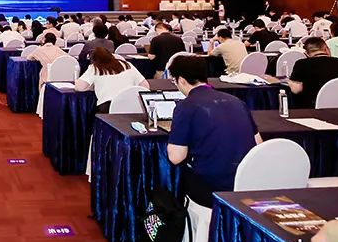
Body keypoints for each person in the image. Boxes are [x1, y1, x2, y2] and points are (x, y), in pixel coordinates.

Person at [167, 55, 262, 206]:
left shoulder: (186, 106)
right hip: (245, 181)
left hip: (210, 186)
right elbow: (258, 143)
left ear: (182, 80)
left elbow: (176, 157)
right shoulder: (236, 101)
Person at [74, 47, 148, 113]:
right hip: (132, 105)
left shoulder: (95, 68)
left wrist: (91, 87)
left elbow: (79, 87)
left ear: (93, 60)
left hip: (108, 106)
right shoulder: (127, 64)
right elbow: (145, 86)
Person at [287, 37, 338, 108]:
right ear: (326, 49)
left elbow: (295, 89)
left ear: (306, 54)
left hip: (309, 108)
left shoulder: (301, 64)